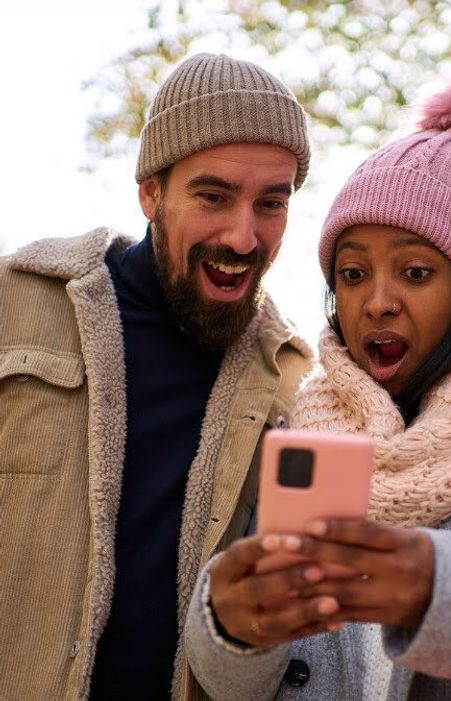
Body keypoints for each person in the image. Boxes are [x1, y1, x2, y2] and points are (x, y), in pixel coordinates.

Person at [182, 82, 451, 699]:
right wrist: (231, 627)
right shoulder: (295, 430)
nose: (377, 303)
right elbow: (234, 682)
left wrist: (446, 592)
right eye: (353, 274)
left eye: (415, 273)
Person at [0, 53, 313, 699]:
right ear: (150, 191)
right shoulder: (14, 305)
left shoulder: (291, 385)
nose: (243, 234)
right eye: (213, 196)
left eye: (271, 203)